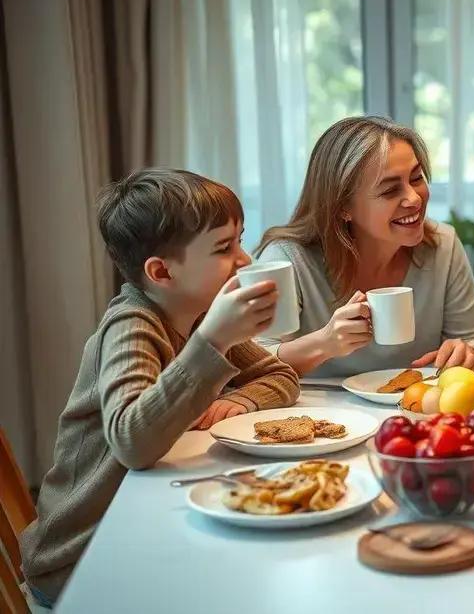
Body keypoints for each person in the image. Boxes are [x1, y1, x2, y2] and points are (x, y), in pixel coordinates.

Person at [19, 169, 301, 606]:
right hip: (79, 561)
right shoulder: (132, 326)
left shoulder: (196, 316)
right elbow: (133, 441)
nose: (244, 260)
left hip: (140, 532)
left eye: (239, 240)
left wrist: (242, 399)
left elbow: (281, 376)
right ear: (161, 272)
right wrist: (213, 342)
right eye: (225, 248)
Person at [256, 116, 474, 378]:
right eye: (390, 191)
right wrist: (324, 343)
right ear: (343, 207)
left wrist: (470, 352)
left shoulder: (442, 245)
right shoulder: (287, 259)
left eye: (416, 178)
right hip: (316, 415)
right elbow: (254, 363)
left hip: (411, 411)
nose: (414, 198)